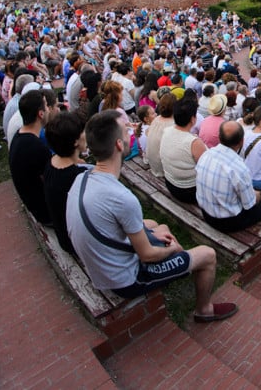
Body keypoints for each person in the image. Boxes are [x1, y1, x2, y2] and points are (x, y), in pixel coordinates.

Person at [66, 110, 238, 322]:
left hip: (101, 264)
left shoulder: (82, 177)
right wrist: (173, 249)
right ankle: (204, 309)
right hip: (125, 279)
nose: (132, 130)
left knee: (161, 227)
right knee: (207, 254)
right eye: (127, 129)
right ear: (119, 145)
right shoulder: (122, 198)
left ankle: (181, 263)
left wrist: (155, 236)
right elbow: (147, 255)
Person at [195, 120, 261, 233]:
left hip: (206, 213)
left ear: (219, 137)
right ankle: (260, 237)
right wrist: (256, 196)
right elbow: (249, 204)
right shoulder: (240, 168)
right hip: (227, 221)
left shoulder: (206, 154)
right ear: (241, 142)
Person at [43, 110, 90, 255]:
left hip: (64, 235)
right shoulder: (78, 177)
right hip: (77, 242)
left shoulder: (52, 163)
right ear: (75, 141)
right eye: (83, 131)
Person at [9, 90, 54, 224]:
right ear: (41, 114)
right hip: (47, 213)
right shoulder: (35, 146)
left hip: (35, 205)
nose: (49, 110)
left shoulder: (19, 136)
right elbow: (52, 182)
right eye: (46, 106)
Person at [159, 97, 206, 204]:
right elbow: (206, 168)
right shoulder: (194, 142)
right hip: (189, 191)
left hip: (170, 183)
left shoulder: (167, 131)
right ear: (193, 119)